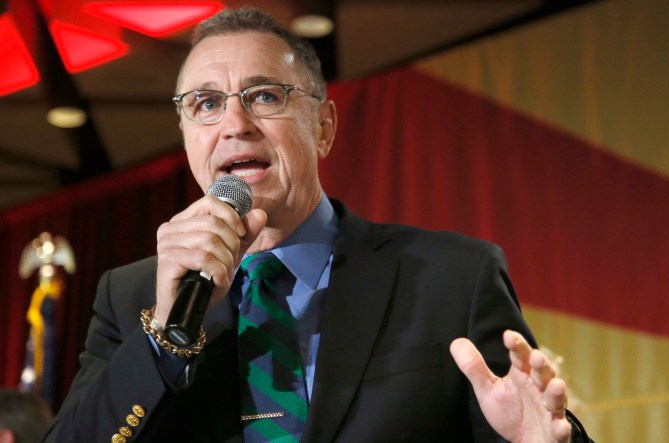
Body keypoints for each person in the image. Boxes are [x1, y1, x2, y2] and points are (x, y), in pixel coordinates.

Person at [43, 7, 591, 443]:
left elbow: (529, 420)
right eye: (206, 104)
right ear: (187, 136)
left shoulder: (453, 279)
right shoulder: (130, 296)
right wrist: (164, 332)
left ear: (323, 128)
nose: (235, 124)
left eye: (263, 96)